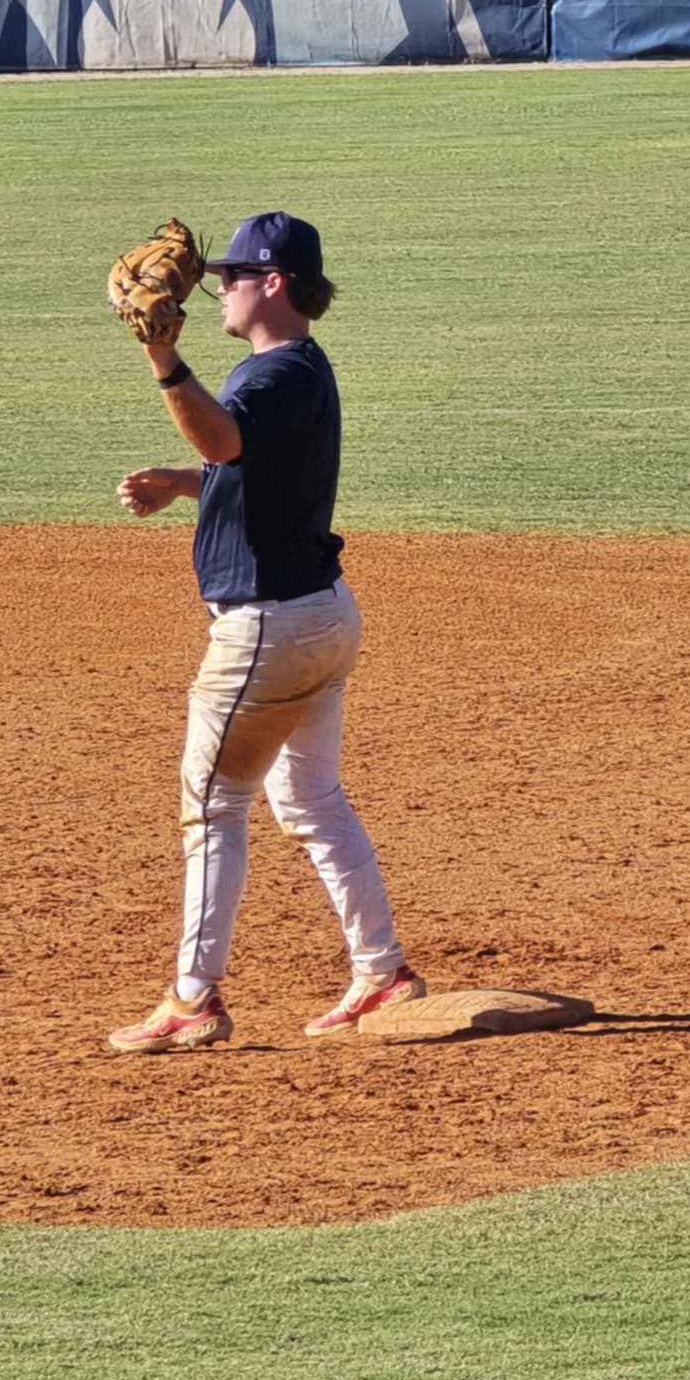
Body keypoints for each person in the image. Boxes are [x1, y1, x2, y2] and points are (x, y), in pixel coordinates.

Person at [107, 211, 425, 1052]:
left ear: (273, 284)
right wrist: (184, 483)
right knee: (310, 799)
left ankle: (192, 999)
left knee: (213, 805)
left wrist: (162, 358)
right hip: (319, 615)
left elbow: (223, 435)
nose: (213, 291)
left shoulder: (274, 376)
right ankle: (382, 972)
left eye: (232, 278)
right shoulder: (295, 370)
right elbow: (242, 463)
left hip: (267, 630)